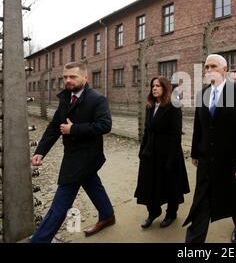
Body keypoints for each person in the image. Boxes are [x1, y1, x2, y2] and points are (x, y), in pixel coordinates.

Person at [30, 62, 115, 243]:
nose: (68, 80)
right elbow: (55, 126)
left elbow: (105, 125)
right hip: (72, 154)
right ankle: (107, 215)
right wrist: (41, 151)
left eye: (72, 76)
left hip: (87, 156)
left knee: (60, 203)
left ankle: (39, 240)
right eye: (65, 77)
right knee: (92, 183)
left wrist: (74, 129)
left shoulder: (97, 99)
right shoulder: (66, 97)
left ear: (85, 78)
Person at [183, 54, 236, 243]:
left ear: (225, 70)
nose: (208, 70)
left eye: (213, 66)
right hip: (207, 160)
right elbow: (199, 127)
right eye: (206, 67)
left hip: (233, 161)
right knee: (201, 201)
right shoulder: (202, 94)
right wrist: (195, 152)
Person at [134, 76, 190, 228]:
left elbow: (175, 134)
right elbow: (146, 131)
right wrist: (142, 151)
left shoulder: (173, 106)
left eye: (158, 85)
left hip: (168, 153)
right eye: (153, 85)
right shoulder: (150, 106)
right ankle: (153, 212)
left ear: (165, 88)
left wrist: (171, 159)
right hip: (150, 152)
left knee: (170, 184)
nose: (154, 88)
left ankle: (171, 213)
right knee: (148, 184)